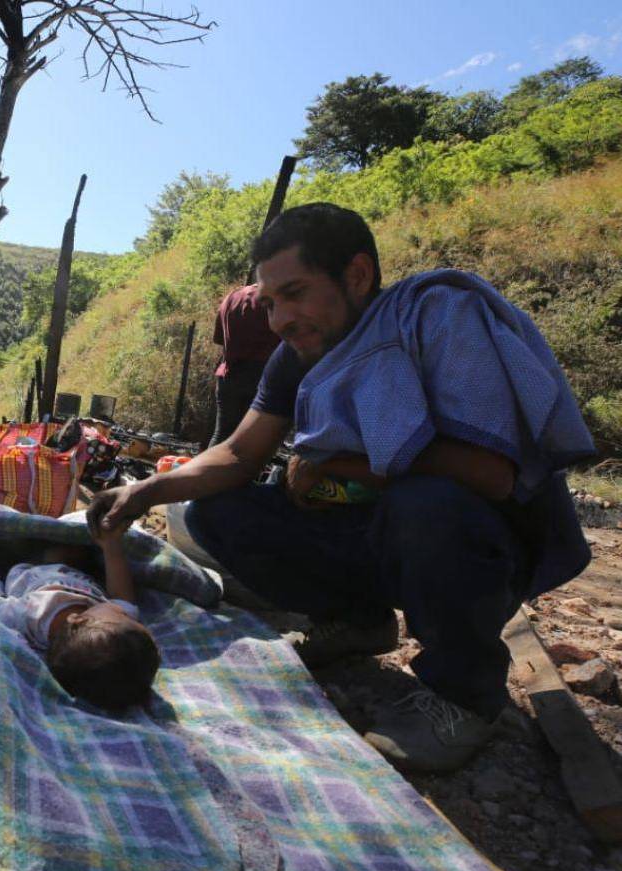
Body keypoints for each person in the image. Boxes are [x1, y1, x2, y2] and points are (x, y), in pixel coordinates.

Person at [88, 202, 595, 772]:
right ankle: (359, 622)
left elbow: (491, 475)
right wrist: (143, 495)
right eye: (271, 302)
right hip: (377, 534)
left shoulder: (435, 319)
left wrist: (337, 465)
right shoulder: (297, 355)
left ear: (356, 276)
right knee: (215, 512)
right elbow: (236, 454)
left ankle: (464, 696)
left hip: (470, 541)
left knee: (424, 503)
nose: (279, 319)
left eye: (295, 294)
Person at [0, 533, 160, 713]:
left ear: (80, 619)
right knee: (79, 547)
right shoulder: (100, 627)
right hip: (77, 569)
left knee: (46, 548)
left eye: (125, 617)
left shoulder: (28, 616)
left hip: (31, 567)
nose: (127, 612)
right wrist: (111, 546)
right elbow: (123, 597)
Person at [209, 284, 281, 447]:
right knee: (255, 443)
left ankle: (206, 472)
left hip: (229, 374)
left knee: (222, 435)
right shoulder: (275, 298)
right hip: (263, 377)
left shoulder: (232, 297)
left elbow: (218, 339)